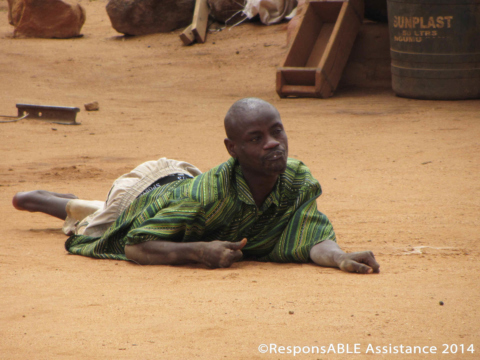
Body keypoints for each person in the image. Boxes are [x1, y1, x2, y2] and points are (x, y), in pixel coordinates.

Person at [12, 98, 379, 274]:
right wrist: (199, 252)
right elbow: (136, 244)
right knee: (100, 225)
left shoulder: (296, 179)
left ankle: (79, 204)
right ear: (232, 150)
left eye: (276, 130)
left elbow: (310, 235)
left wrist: (339, 257)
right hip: (141, 192)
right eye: (256, 138)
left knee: (104, 212)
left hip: (181, 183)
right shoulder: (209, 197)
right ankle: (50, 202)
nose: (272, 143)